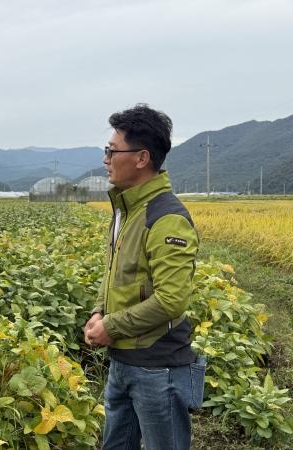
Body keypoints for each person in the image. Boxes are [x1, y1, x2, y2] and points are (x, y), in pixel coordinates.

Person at [84, 104, 205, 450]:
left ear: (141, 158)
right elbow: (116, 275)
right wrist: (98, 312)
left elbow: (171, 300)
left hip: (158, 368)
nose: (106, 158)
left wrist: (112, 326)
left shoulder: (166, 217)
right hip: (123, 361)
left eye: (112, 150)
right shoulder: (127, 209)